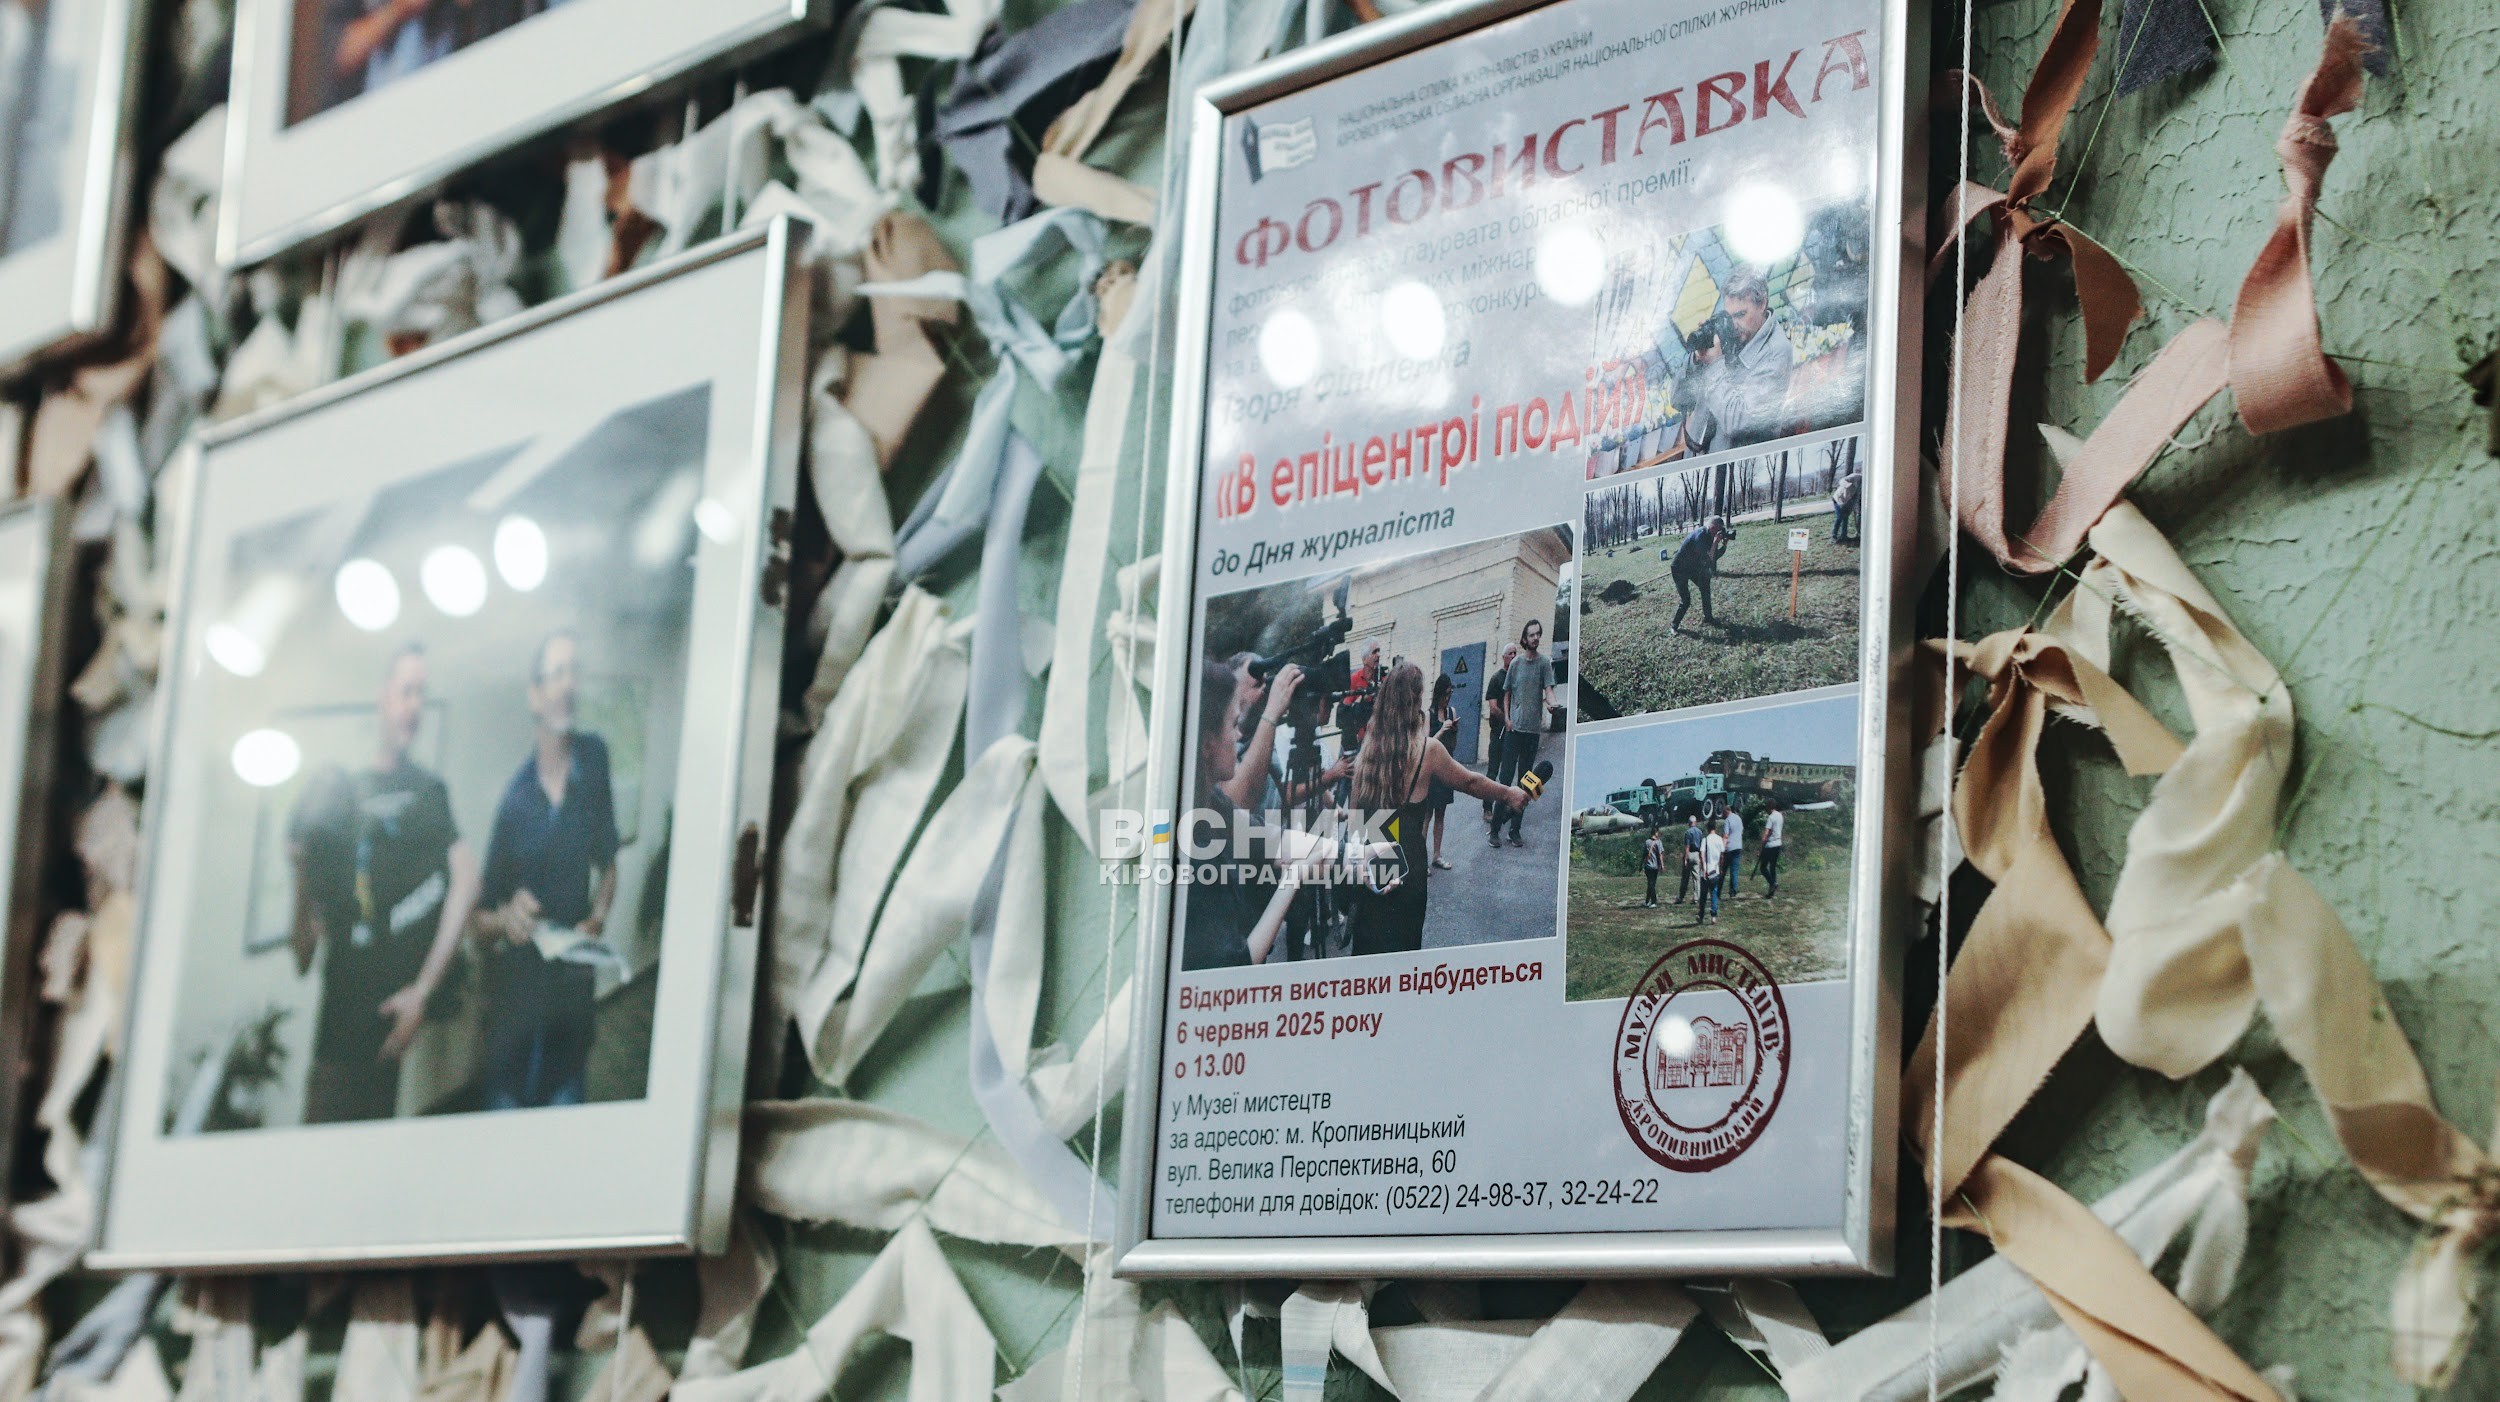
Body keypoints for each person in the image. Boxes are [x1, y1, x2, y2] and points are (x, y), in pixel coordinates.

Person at [289, 642, 481, 1125]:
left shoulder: (427, 792)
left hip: (387, 1034)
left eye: (421, 693)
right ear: (382, 697)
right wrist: (298, 873)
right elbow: (303, 956)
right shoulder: (338, 798)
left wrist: (424, 991)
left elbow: (467, 881)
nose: (413, 704)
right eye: (405, 691)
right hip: (333, 1039)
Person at [474, 630, 620, 1111]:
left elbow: (609, 865)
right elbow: (478, 921)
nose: (568, 684)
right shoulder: (514, 800)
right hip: (513, 1015)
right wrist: (505, 920)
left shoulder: (594, 763)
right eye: (556, 673)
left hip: (571, 1013)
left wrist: (596, 918)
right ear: (535, 696)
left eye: (574, 671)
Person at [1345, 664, 1532, 956]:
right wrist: (1508, 793)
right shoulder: (1426, 750)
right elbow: (1470, 781)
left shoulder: (1367, 751)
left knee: (1368, 963)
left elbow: (1354, 826)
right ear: (1416, 700)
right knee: (1404, 960)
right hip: (1407, 873)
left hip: (1371, 872)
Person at [1179, 660, 1281, 969]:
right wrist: (1294, 880)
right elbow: (1237, 960)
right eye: (1233, 724)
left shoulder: (1210, 803)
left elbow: (1267, 838)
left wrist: (1355, 854)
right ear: (1208, 744)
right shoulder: (1193, 845)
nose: (1238, 735)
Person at [1488, 621, 1555, 848]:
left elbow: (1549, 691)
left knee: (1527, 784)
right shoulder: (1515, 664)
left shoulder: (1545, 663)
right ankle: (1494, 830)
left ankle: (1514, 830)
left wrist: (1552, 705)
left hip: (1531, 733)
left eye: (1538, 634)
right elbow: (1506, 694)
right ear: (1524, 639)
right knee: (1505, 782)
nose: (1536, 638)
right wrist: (1507, 718)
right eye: (1531, 635)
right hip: (1513, 731)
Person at [1717, 267, 1796, 448]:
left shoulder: (1777, 352)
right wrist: (1696, 360)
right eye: (1729, 316)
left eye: (1741, 315)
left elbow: (1736, 421)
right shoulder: (1733, 333)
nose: (1733, 325)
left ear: (1762, 304)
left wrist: (1714, 364)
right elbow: (1677, 399)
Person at [1670, 516, 1733, 632]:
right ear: (1713, 528)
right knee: (1686, 600)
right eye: (1719, 530)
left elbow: (1713, 557)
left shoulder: (1710, 535)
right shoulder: (1700, 536)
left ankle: (1708, 618)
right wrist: (1715, 542)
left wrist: (1724, 545)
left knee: (1705, 587)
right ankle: (1674, 626)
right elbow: (1707, 558)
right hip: (1679, 569)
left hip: (1692, 567)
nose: (1720, 532)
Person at [1478, 641, 1517, 825]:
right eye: (1510, 653)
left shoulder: (1518, 678)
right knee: (1493, 771)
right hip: (1499, 731)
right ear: (1503, 657)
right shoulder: (1496, 679)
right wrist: (1507, 720)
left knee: (1508, 772)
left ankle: (1505, 807)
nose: (1513, 656)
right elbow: (1493, 708)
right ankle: (1487, 808)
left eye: (1515, 653)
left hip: (1514, 734)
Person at [1426, 674, 1459, 870]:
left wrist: (1453, 730)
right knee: (1427, 815)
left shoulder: (1451, 712)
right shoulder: (1428, 715)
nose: (1448, 698)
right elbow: (1426, 744)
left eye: (1451, 693)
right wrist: (1442, 730)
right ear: (1439, 693)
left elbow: (1453, 745)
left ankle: (1437, 855)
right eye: (1446, 694)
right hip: (1431, 770)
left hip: (1445, 768)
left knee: (1441, 814)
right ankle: (1421, 859)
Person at [1697, 819, 1725, 923]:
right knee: (1714, 892)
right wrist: (1721, 868)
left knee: (1703, 895)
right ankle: (1714, 915)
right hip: (1715, 870)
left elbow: (1702, 855)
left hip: (1706, 871)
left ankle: (1701, 915)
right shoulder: (1719, 839)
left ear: (1708, 828)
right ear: (1715, 828)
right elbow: (1722, 855)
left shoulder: (1705, 840)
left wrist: (1703, 868)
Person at [1760, 802, 1785, 899]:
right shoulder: (1780, 815)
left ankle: (1773, 883)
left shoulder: (1771, 818)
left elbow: (1766, 833)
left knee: (1763, 867)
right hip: (1778, 843)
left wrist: (1761, 847)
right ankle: (1771, 892)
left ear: (1769, 807)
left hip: (1770, 845)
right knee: (1772, 867)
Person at [1721, 802, 1745, 901]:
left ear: (1726, 811)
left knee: (1723, 871)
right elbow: (1742, 830)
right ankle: (1733, 892)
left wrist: (1722, 849)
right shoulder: (1738, 818)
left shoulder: (1727, 820)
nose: (1722, 814)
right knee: (1734, 870)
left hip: (1729, 848)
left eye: (1723, 812)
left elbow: (1726, 835)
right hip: (1738, 846)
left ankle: (1717, 891)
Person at [1830, 469, 1861, 544]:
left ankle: (1844, 536)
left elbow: (1856, 497)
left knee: (1846, 517)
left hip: (1848, 501)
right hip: (1838, 498)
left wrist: (1854, 508)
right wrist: (1847, 485)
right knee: (1839, 517)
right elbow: (1841, 480)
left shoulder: (1863, 485)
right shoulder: (1855, 476)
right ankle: (1833, 536)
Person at [1678, 813, 1702, 902]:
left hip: (1690, 854)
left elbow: (1687, 846)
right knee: (1696, 877)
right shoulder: (1700, 832)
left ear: (1689, 823)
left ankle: (1681, 896)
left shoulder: (1688, 832)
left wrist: (1685, 858)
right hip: (1697, 854)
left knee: (1685, 877)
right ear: (1695, 822)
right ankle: (1696, 897)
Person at [1642, 826, 1665, 908]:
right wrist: (1662, 865)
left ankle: (1651, 901)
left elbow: (1644, 854)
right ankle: (1650, 901)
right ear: (1656, 833)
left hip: (1648, 866)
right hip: (1655, 866)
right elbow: (1660, 854)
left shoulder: (1647, 842)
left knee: (1650, 884)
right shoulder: (1659, 842)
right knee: (1652, 884)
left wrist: (1641, 865)